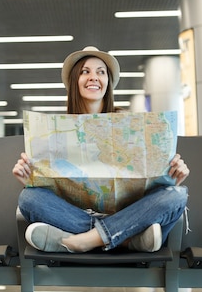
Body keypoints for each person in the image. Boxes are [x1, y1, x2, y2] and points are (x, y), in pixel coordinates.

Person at [12, 46, 190, 253]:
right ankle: (126, 239)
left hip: (129, 210)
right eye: (85, 71)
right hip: (86, 214)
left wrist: (171, 175)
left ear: (108, 83)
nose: (93, 77)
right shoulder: (55, 131)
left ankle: (80, 240)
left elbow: (151, 185)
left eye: (101, 72)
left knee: (176, 195)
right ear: (74, 82)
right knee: (28, 198)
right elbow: (51, 190)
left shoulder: (131, 126)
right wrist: (30, 180)